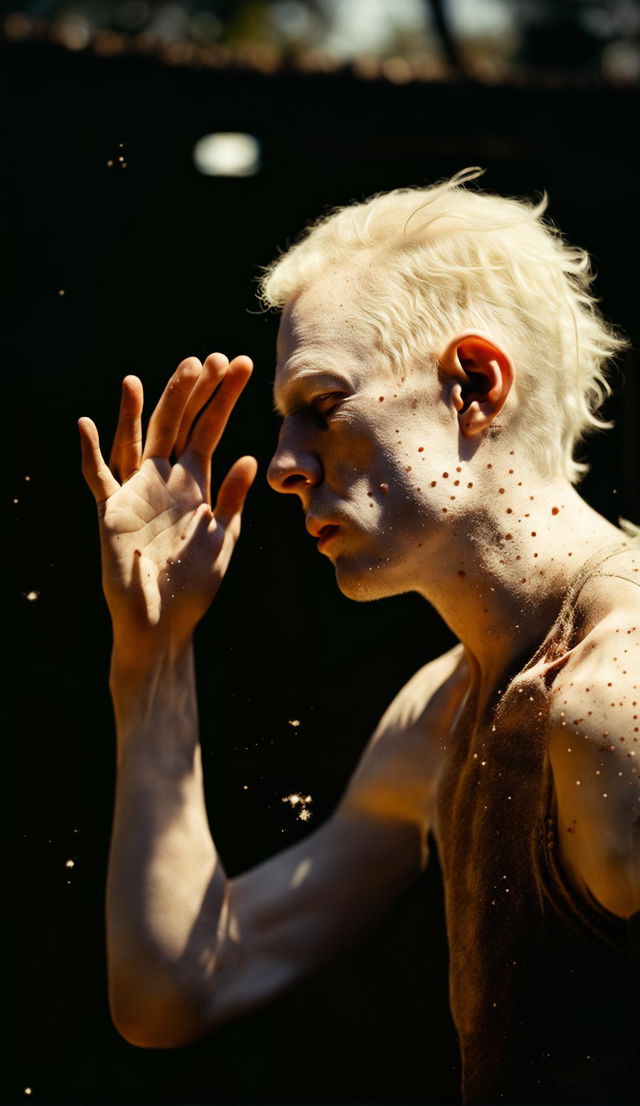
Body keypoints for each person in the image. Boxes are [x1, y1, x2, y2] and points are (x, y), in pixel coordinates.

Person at [78, 168, 639, 1104]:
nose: (288, 467)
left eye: (322, 405)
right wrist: (153, 652)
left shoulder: (615, 699)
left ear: (473, 384)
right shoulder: (444, 710)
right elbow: (179, 987)